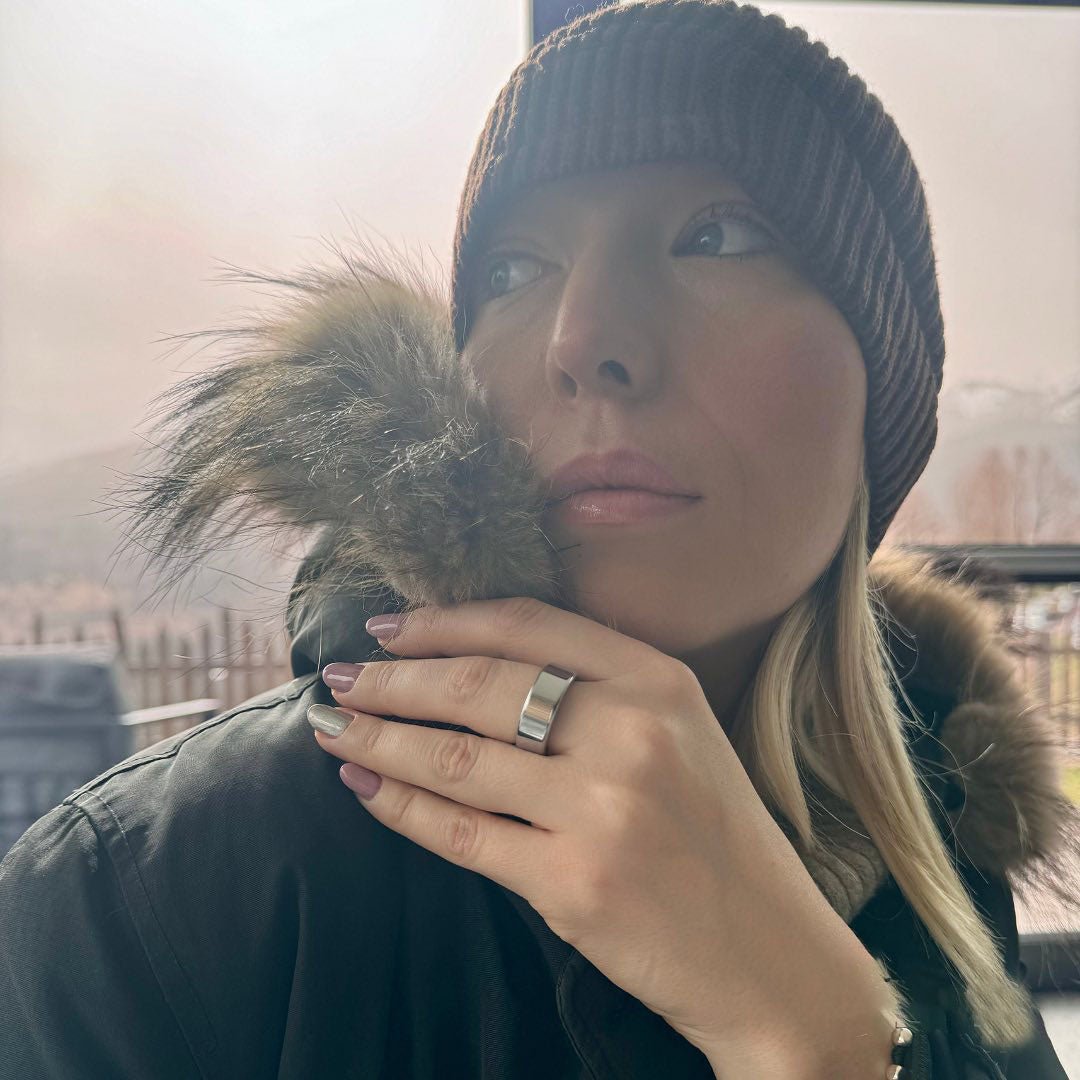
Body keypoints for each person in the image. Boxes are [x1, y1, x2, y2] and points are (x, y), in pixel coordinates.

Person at [1, 1, 1075, 1077]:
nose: (583, 337)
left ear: (881, 396)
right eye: (514, 269)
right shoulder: (129, 917)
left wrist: (814, 1043)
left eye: (718, 235)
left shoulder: (949, 818)